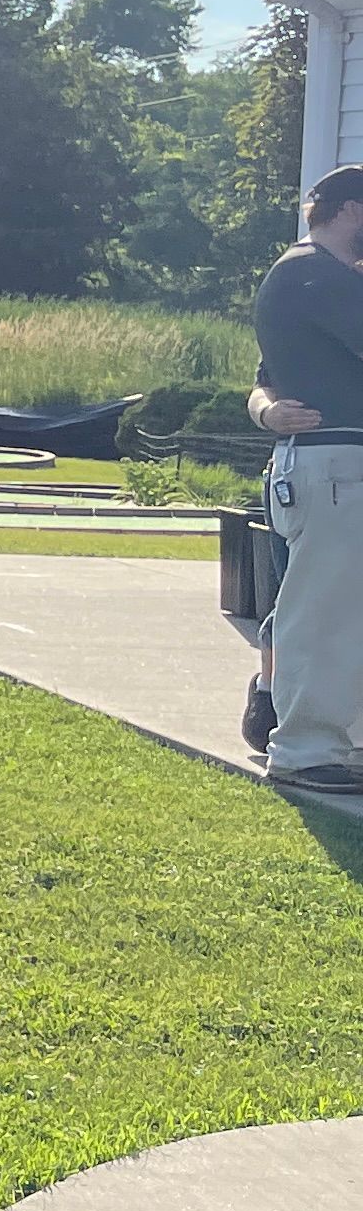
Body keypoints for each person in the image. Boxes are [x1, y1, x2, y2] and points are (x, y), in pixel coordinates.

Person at [250, 169, 363, 798]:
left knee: (347, 611)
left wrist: (262, 407)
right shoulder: (315, 273)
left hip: (331, 464)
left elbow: (267, 375)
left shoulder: (316, 278)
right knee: (326, 611)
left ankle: (338, 744)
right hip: (336, 464)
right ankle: (306, 748)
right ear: (352, 209)